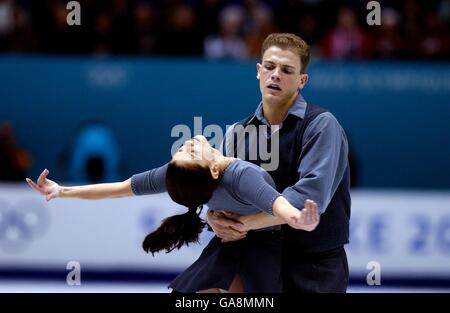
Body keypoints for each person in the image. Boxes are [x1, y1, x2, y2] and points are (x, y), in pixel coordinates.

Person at [26, 134, 320, 293]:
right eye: (187, 152)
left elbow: (120, 188)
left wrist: (63, 191)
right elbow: (278, 205)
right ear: (214, 169)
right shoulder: (240, 176)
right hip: (242, 245)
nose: (187, 145)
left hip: (258, 246)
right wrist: (297, 218)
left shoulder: (183, 174)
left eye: (183, 151)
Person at [207, 33, 351, 293]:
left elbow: (309, 199)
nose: (276, 75)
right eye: (270, 67)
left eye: (286, 70)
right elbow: (219, 193)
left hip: (312, 266)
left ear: (302, 80)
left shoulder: (321, 124)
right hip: (255, 257)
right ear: (258, 71)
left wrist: (244, 224)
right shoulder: (237, 133)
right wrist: (214, 217)